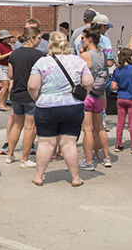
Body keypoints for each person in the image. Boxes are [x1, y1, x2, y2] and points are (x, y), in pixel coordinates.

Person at [27, 31, 92, 187]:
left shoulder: (42, 62)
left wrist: (38, 98)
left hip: (47, 107)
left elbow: (32, 85)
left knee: (45, 143)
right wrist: (83, 94)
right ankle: (75, 178)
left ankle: (39, 176)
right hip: (72, 106)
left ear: (50, 44)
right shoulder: (78, 61)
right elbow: (89, 82)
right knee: (69, 143)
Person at [6, 26, 45, 166]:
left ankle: (10, 154)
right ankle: (25, 158)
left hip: (16, 93)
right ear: (31, 38)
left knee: (17, 125)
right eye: (39, 38)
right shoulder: (38, 55)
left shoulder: (14, 54)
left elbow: (10, 75)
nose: (40, 41)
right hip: (30, 94)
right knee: (30, 127)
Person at [79, 28, 111, 170]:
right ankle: (106, 157)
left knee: (87, 129)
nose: (82, 41)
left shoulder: (86, 55)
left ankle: (88, 160)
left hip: (87, 95)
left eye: (83, 38)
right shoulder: (103, 55)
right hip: (100, 95)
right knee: (100, 127)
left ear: (90, 39)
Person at [111, 48, 132, 153]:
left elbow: (113, 87)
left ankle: (118, 144)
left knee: (120, 122)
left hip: (121, 98)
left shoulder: (117, 70)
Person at [0, 29, 13, 111]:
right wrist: (8, 54)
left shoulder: (9, 46)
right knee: (5, 86)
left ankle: (4, 103)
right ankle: (1, 103)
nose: (9, 39)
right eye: (8, 37)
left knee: (8, 87)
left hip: (7, 67)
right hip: (1, 67)